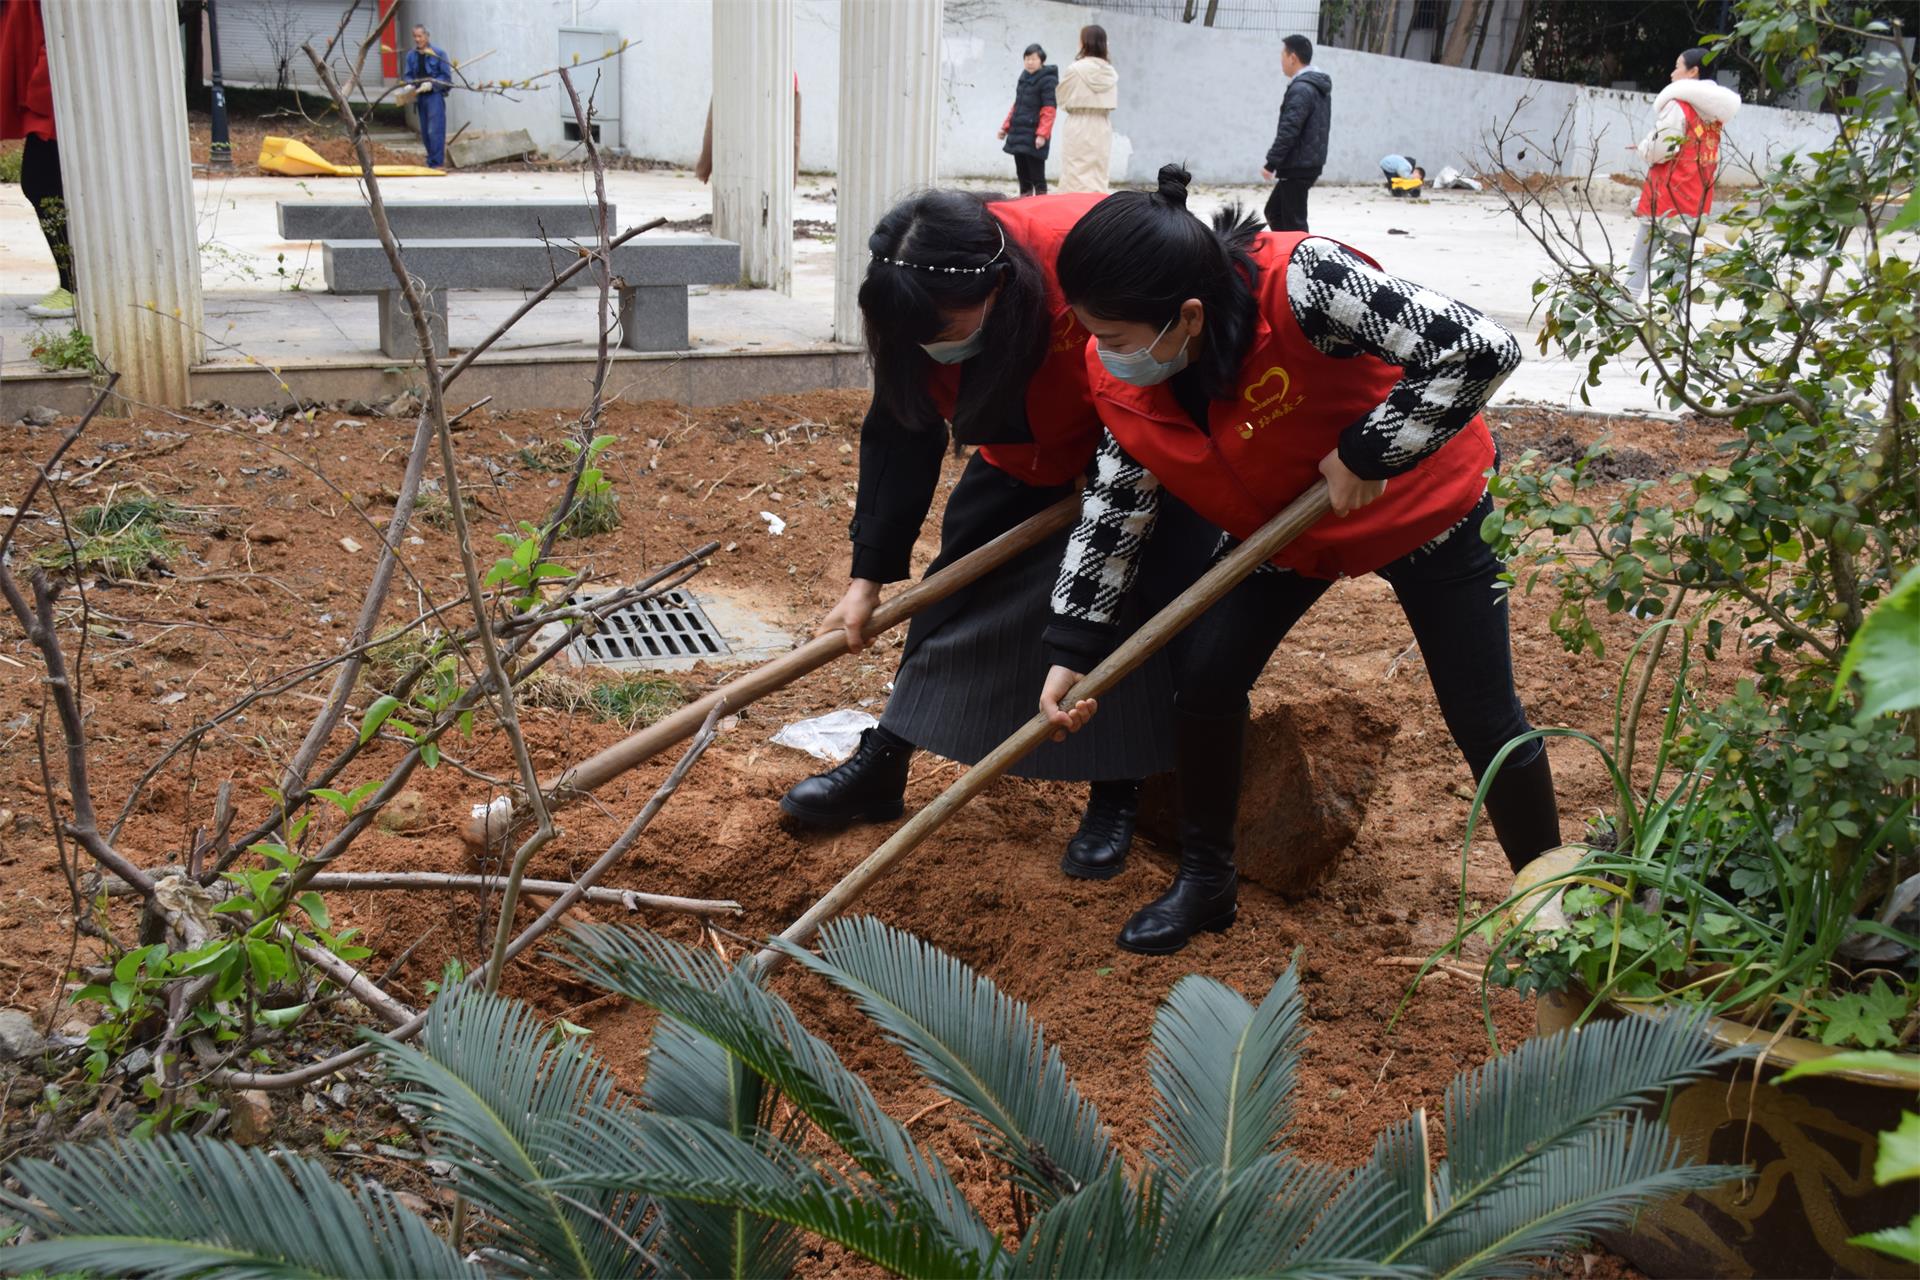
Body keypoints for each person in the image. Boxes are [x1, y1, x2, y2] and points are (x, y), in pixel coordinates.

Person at [1039, 165, 1562, 956]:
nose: (1103, 355)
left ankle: (1556, 908)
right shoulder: (1124, 373)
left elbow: (1477, 348)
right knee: (1206, 680)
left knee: (1482, 714)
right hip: (1289, 531)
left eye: (1113, 338)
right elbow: (1116, 507)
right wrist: (1073, 649)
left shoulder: (1307, 284)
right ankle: (1207, 881)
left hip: (1430, 510)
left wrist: (1370, 449)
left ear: (1186, 315)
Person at [780, 189, 1210, 880]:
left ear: (999, 286)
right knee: (954, 593)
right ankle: (887, 758)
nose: (932, 347)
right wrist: (867, 578)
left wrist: (1109, 466)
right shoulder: (910, 301)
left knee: (1123, 612)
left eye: (945, 330)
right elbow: (902, 427)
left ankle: (1117, 791)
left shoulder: (1078, 257)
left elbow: (1157, 362)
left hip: (1135, 456)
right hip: (1019, 459)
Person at [1622, 47, 1741, 301]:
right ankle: (1676, 328)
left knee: (1639, 262)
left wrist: (1644, 148)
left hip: (1665, 197)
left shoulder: (1679, 106)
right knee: (1679, 268)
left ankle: (1619, 318)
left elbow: (1660, 148)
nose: (1672, 72)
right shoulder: (1714, 116)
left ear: (1693, 71)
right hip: (1694, 201)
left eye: (1678, 66)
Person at [1, 0, 73, 319]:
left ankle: (75, 285)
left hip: (54, 91)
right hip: (46, 86)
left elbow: (59, 32)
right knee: (44, 183)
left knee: (41, 182)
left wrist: (39, 91)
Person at [1261, 34, 1329, 233]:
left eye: (1282, 54)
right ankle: (1287, 257)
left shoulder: (1302, 88)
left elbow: (1290, 129)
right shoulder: (1314, 85)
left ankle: (1301, 260)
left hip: (1298, 165)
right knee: (1275, 212)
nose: (1281, 60)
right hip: (1305, 164)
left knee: (1294, 224)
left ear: (1293, 57)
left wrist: (1271, 163)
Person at [1055, 25, 1117, 194]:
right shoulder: (1110, 73)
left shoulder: (1075, 69)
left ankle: (1073, 214)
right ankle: (1096, 213)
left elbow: (1061, 97)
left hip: (1079, 123)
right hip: (1102, 124)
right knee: (1098, 174)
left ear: (1084, 42)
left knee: (1074, 173)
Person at [999, 43, 1057, 197]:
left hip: (1034, 135)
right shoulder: (1024, 77)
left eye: (1033, 59)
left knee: (1036, 173)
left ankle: (1041, 202)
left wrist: (1042, 134)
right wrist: (1005, 128)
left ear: (1041, 61)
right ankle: (1024, 201)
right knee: (1022, 173)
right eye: (1027, 59)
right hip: (1018, 133)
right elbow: (1017, 105)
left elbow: (1049, 109)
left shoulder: (1048, 80)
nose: (1030, 62)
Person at [404, 24, 453, 169]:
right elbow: (408, 76)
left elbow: (446, 78)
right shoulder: (411, 56)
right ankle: (431, 161)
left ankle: (437, 163)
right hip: (421, 97)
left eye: (420, 36)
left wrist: (433, 85)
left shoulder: (439, 53)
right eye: (415, 36)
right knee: (425, 132)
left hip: (434, 96)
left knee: (435, 130)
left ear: (427, 36)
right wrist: (409, 85)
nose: (417, 39)